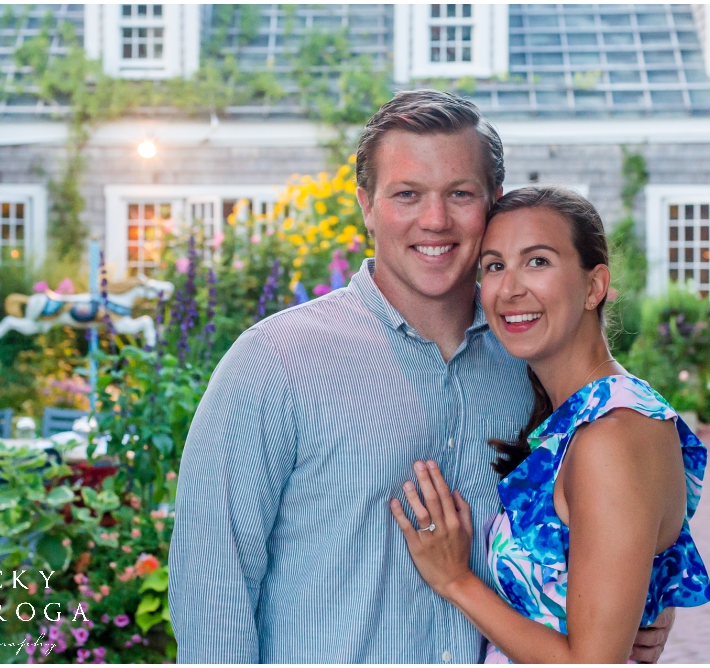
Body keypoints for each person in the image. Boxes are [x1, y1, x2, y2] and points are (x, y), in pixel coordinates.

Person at [169, 90, 675, 663]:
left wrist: (638, 597)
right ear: (366, 204)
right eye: (407, 195)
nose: (435, 220)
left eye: (460, 194)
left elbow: (611, 498)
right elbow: (213, 585)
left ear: (493, 203)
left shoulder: (532, 361)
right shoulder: (275, 362)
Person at [389, 187, 710, 663]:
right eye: (495, 265)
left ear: (593, 286)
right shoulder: (582, 415)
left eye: (537, 261)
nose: (510, 288)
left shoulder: (612, 434)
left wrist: (455, 580)